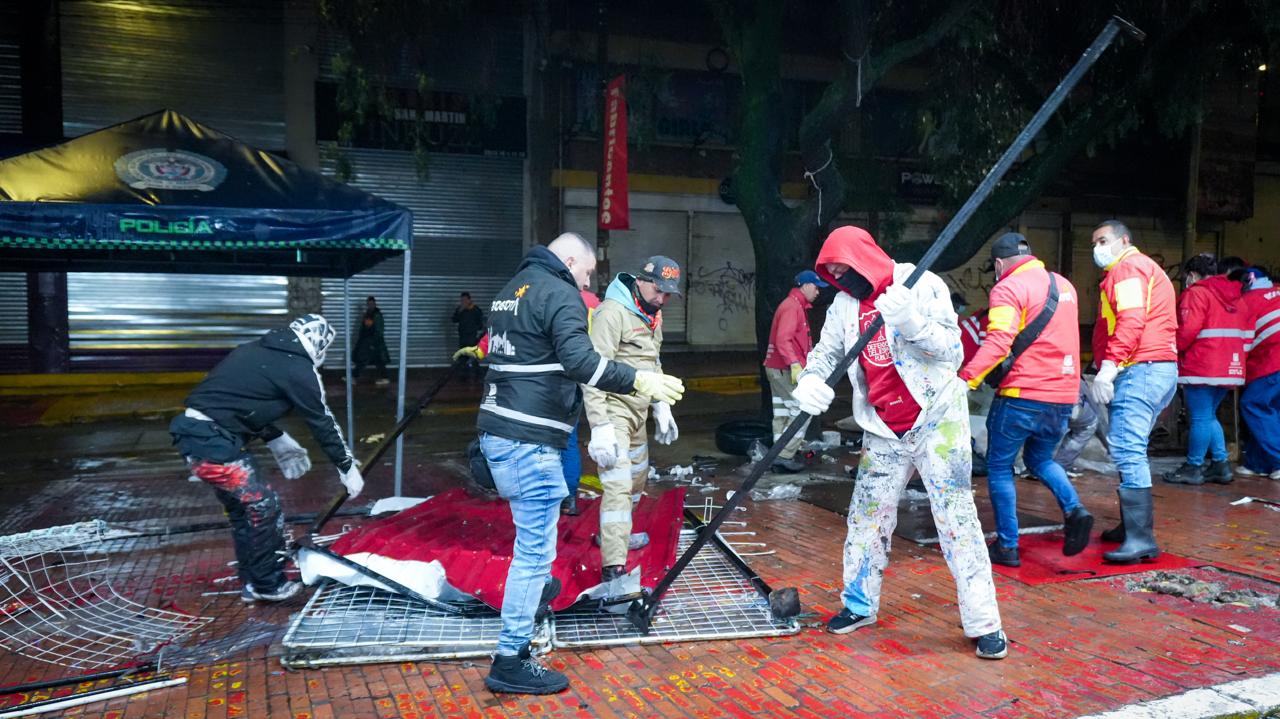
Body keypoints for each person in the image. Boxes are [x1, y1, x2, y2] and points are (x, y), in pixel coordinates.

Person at [475, 232, 685, 694]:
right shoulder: (561, 293)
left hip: (501, 431)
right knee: (533, 554)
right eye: (587, 271)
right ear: (569, 260)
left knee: (534, 549)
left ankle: (534, 595)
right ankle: (510, 658)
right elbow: (582, 363)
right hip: (529, 438)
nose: (589, 280)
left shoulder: (513, 289)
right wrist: (640, 385)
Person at [791, 225, 1007, 660]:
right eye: (832, 273)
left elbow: (951, 350)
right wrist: (810, 378)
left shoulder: (921, 284)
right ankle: (858, 605)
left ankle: (985, 623)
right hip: (883, 429)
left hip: (937, 421)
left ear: (864, 256)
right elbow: (828, 352)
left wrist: (911, 320)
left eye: (843, 269)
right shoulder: (844, 305)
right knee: (866, 520)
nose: (840, 279)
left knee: (957, 521)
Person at [168, 314, 363, 603]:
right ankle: (267, 584)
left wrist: (274, 436)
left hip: (197, 435)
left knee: (244, 511)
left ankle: (252, 581)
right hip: (213, 441)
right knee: (264, 508)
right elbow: (322, 421)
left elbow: (238, 399)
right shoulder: (298, 368)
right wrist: (346, 466)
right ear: (318, 342)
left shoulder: (253, 350)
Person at [959, 233, 1091, 566]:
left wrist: (966, 379)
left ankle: (1007, 546)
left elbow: (999, 341)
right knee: (1041, 461)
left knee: (1000, 467)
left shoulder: (1007, 287)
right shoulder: (1065, 286)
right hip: (1062, 394)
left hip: (1021, 395)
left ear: (1000, 264)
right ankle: (1075, 510)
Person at [583, 257, 683, 582]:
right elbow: (592, 372)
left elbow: (653, 361)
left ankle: (617, 533)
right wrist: (599, 426)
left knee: (638, 479)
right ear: (640, 280)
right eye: (659, 290)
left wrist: (661, 405)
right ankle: (613, 567)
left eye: (669, 294)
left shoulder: (653, 314)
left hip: (639, 412)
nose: (663, 299)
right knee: (618, 485)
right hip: (614, 411)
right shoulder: (611, 313)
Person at [1088, 220, 1178, 564]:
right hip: (1156, 366)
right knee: (1131, 445)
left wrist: (1109, 367)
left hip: (1141, 368)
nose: (1098, 247)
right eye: (1094, 242)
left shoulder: (1127, 269)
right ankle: (1131, 528)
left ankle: (1140, 538)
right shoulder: (1142, 268)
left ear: (1124, 239)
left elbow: (1131, 320)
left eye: (1104, 240)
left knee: (1127, 447)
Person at [1163, 254, 1248, 485]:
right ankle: (1220, 464)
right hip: (1230, 366)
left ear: (1191, 275)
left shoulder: (1196, 293)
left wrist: (1171, 351)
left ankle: (1194, 465)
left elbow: (1187, 331)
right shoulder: (1235, 295)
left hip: (1202, 364)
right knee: (1209, 416)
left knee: (1200, 417)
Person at [762, 270, 828, 473]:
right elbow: (784, 339)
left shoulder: (793, 305)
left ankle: (778, 454)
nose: (818, 292)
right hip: (784, 369)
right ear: (805, 286)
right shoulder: (793, 307)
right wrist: (794, 364)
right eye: (816, 287)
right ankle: (784, 455)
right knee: (803, 410)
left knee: (782, 411)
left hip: (777, 368)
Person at [1235, 266, 1280, 478]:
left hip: (1271, 362)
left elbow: (1243, 343)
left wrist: (1233, 372)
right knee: (1271, 410)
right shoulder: (1276, 292)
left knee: (1253, 404)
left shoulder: (1248, 301)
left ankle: (1277, 459)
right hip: (1273, 360)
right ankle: (1257, 463)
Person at [353, 296, 391, 386]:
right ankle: (354, 376)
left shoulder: (376, 315)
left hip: (373, 343)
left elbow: (379, 330)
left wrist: (374, 343)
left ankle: (354, 376)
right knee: (374, 361)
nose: (370, 305)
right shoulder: (368, 314)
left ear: (374, 304)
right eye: (369, 304)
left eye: (372, 304)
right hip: (368, 342)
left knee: (368, 360)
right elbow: (365, 328)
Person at [452, 292, 485, 380]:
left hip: (471, 337)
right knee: (462, 356)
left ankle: (478, 375)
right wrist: (460, 311)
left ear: (470, 300)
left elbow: (480, 322)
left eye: (465, 300)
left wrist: (474, 329)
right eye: (462, 300)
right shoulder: (460, 309)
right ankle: (464, 375)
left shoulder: (475, 309)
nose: (463, 302)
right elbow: (454, 319)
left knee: (472, 356)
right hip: (462, 336)